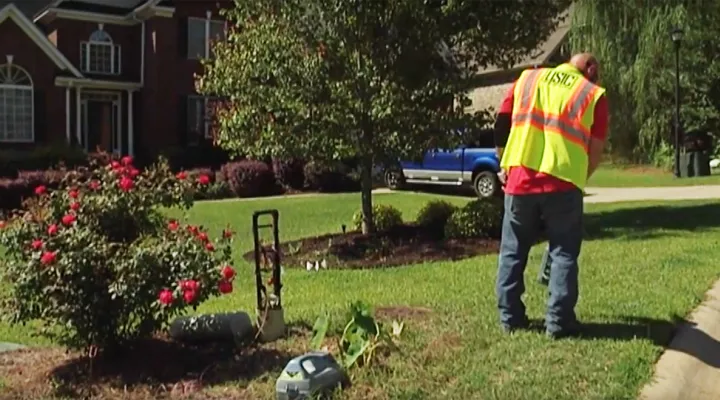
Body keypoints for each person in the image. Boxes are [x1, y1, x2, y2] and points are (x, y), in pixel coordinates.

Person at [492, 53, 609, 339]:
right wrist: (579, 178)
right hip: (563, 183)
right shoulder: (593, 94)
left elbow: (500, 123)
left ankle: (510, 318)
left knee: (512, 249)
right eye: (599, 72)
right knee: (564, 252)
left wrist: (504, 162)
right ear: (590, 68)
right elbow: (595, 150)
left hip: (520, 178)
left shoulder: (528, 78)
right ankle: (558, 322)